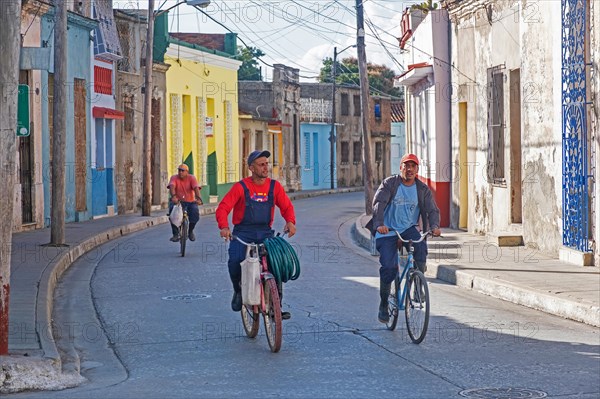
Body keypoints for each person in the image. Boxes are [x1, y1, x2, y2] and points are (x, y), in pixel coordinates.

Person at [216, 150, 297, 316]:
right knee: (235, 260)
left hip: (265, 232)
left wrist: (290, 221)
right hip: (243, 232)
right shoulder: (241, 187)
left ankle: (276, 307)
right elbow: (223, 208)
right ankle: (238, 290)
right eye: (261, 165)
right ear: (252, 168)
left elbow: (287, 206)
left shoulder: (275, 187)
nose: (266, 167)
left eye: (267, 164)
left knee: (276, 263)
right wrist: (224, 227)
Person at [369, 153, 441, 323]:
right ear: (400, 167)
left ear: (417, 169)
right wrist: (379, 223)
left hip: (409, 229)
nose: (409, 169)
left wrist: (435, 227)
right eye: (406, 166)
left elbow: (432, 210)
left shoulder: (422, 189)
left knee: (421, 248)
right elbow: (378, 203)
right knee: (389, 267)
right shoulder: (390, 184)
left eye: (413, 166)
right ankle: (384, 303)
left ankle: (417, 286)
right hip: (388, 230)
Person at [167, 163, 203, 242]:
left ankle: (190, 231)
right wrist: (173, 197)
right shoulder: (174, 177)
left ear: (187, 171)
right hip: (178, 202)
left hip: (190, 201)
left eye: (182, 171)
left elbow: (196, 188)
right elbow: (172, 187)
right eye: (179, 170)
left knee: (195, 214)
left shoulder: (192, 178)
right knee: (172, 213)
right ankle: (175, 234)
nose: (180, 172)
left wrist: (199, 199)